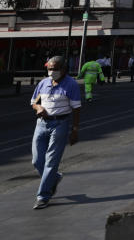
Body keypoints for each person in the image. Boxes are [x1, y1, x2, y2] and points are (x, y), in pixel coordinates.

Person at [29, 56, 81, 209]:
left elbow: (76, 108)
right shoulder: (43, 83)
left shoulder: (71, 85)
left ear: (64, 69)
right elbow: (34, 102)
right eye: (49, 69)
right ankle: (55, 178)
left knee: (51, 161)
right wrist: (39, 108)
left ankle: (43, 196)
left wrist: (75, 130)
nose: (52, 72)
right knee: (37, 160)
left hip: (60, 124)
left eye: (55, 69)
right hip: (41, 124)